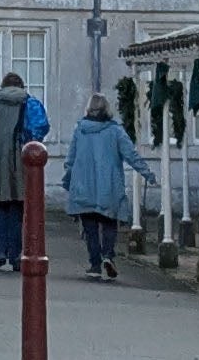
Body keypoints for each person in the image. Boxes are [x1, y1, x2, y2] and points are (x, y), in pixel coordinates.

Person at [60, 92, 156, 281]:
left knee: (90, 228)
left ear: (88, 108)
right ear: (107, 109)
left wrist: (68, 181)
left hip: (84, 186)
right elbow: (131, 155)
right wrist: (148, 173)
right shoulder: (115, 130)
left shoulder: (80, 129)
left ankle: (95, 265)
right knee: (109, 223)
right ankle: (108, 256)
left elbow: (70, 159)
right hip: (108, 186)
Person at [0, 67, 49, 271]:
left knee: (2, 206)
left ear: (4, 86)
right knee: (19, 209)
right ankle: (15, 256)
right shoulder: (27, 102)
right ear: (21, 86)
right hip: (23, 160)